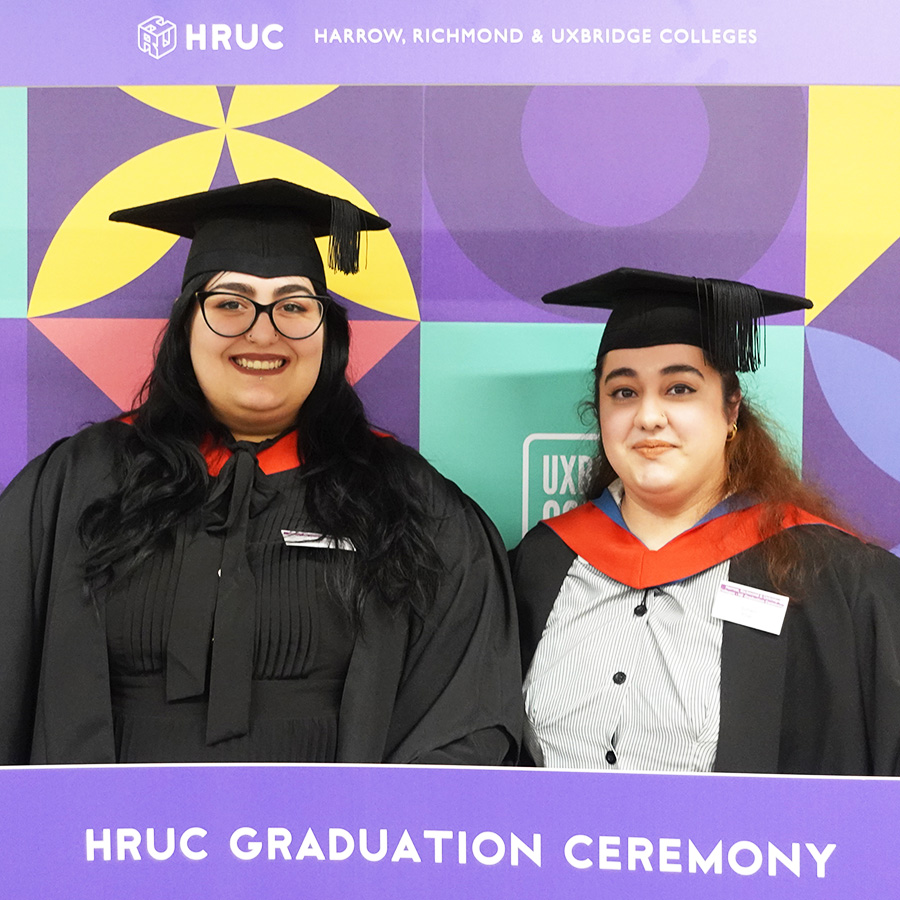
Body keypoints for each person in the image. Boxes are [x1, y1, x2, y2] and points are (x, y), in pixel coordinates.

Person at [0, 178, 521, 765]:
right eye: (230, 304)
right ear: (184, 326)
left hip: (328, 847)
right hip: (111, 845)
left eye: (295, 306)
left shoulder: (408, 502)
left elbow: (463, 717)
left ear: (329, 333)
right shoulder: (77, 484)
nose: (263, 331)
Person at [514, 267, 900, 775]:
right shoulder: (540, 564)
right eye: (623, 392)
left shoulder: (830, 578)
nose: (648, 416)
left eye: (679, 389)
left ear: (731, 408)